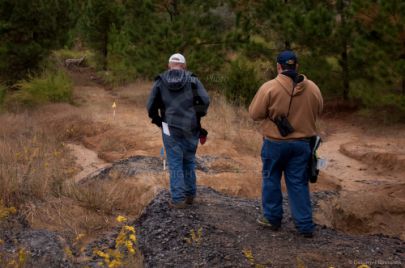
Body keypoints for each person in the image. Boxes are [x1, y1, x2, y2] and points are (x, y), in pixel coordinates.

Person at [249, 50, 323, 237]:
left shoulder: (269, 87)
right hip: (302, 145)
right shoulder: (313, 88)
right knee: (298, 183)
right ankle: (305, 225)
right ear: (297, 66)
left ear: (278, 66)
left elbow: (254, 114)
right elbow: (319, 109)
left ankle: (272, 219)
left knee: (271, 178)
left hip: (274, 144)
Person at [147, 53, 210, 209]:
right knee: (188, 160)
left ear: (169, 65)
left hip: (170, 128)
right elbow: (205, 100)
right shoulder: (193, 80)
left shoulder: (160, 81)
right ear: (184, 66)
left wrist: (157, 120)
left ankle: (178, 200)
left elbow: (150, 105)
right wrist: (198, 114)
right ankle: (190, 195)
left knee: (175, 162)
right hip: (191, 127)